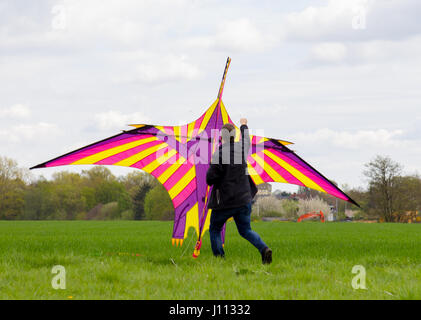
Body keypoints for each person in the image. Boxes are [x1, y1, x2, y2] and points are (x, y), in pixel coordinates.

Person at [206, 118, 272, 264]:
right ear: (234, 136)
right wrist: (243, 125)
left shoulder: (219, 154)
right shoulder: (242, 148)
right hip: (243, 200)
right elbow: (246, 138)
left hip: (225, 202)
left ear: (222, 137)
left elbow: (210, 179)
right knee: (245, 230)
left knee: (215, 229)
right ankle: (264, 249)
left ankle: (219, 260)